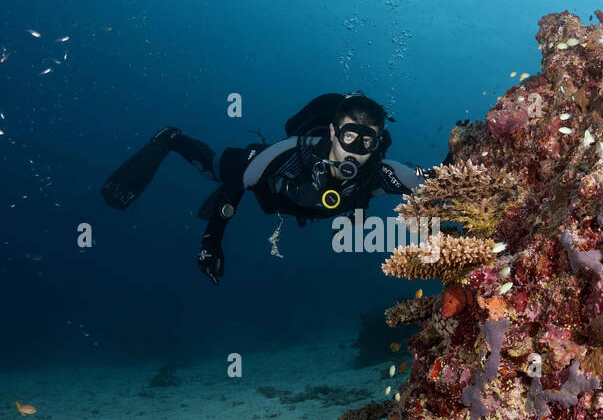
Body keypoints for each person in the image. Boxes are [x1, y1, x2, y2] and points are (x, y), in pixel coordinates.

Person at [101, 92, 431, 284]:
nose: (355, 151)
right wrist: (211, 241)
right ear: (332, 133)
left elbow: (436, 182)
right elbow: (237, 186)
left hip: (317, 205)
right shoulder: (289, 154)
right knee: (216, 172)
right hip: (269, 188)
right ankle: (173, 139)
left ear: (377, 145)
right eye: (348, 137)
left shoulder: (381, 172)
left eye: (367, 142)